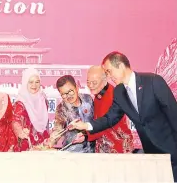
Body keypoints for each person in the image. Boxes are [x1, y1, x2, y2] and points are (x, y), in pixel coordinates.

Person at [70, 52, 177, 180]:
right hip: (151, 155)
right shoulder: (119, 92)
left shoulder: (153, 81)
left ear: (120, 66)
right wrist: (85, 125)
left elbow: (173, 114)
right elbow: (110, 118)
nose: (109, 77)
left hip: (172, 149)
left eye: (109, 72)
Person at [86, 65, 133, 153]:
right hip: (105, 144)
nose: (90, 86)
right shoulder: (100, 93)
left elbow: (103, 125)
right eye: (88, 82)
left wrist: (85, 134)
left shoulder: (112, 95)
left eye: (94, 82)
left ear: (105, 81)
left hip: (118, 147)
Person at [50, 75, 95, 153]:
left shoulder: (88, 99)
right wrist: (51, 140)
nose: (68, 96)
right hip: (73, 153)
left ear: (76, 87)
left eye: (70, 91)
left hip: (92, 150)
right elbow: (58, 129)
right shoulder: (61, 109)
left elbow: (97, 122)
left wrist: (86, 134)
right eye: (63, 94)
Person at [12, 68, 50, 151]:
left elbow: (46, 124)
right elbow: (15, 121)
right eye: (31, 82)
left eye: (37, 82)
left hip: (42, 145)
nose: (34, 85)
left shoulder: (43, 100)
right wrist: (20, 131)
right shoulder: (20, 103)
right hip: (26, 145)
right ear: (25, 82)